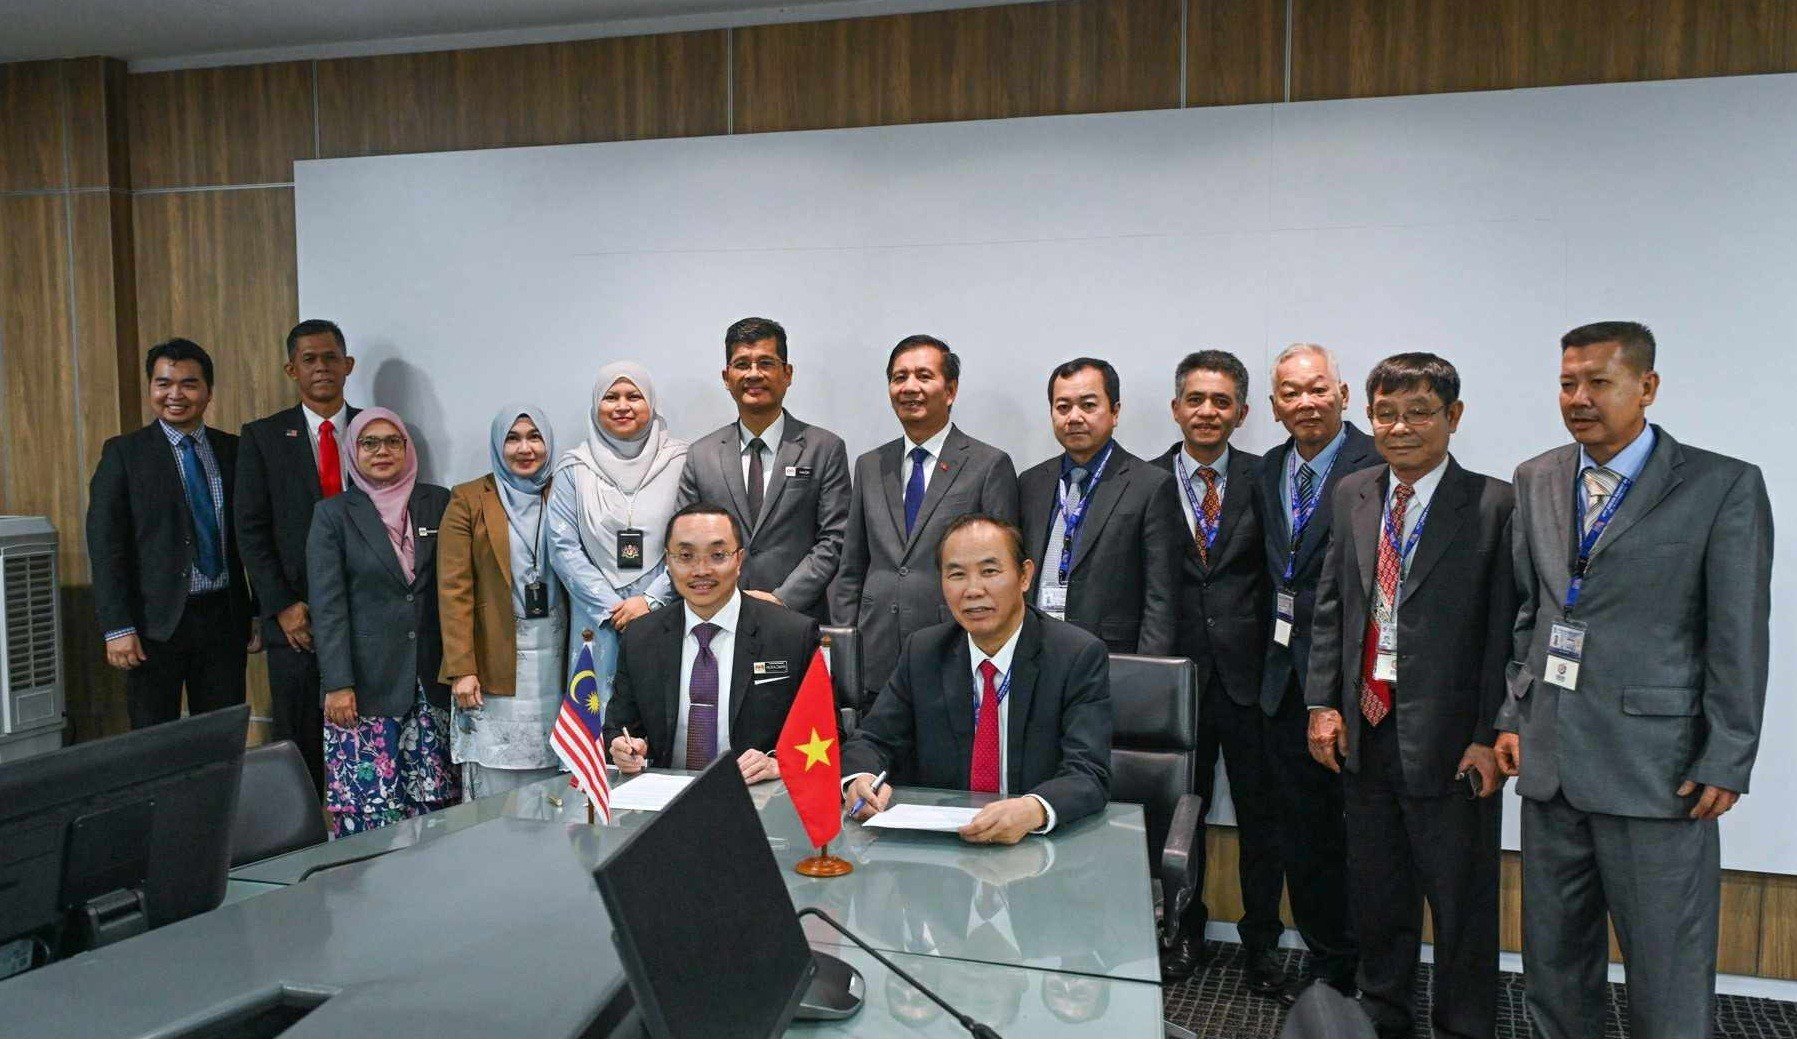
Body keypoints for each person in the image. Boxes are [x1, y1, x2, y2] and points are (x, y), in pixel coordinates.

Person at [1494, 322, 1772, 1039]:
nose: (1578, 397)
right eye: (1566, 382)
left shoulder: (1721, 485)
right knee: (1553, 967)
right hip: (1551, 765)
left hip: (1659, 772)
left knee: (1665, 972)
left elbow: (1736, 633)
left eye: (1597, 382)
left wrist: (1728, 752)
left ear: (1645, 387)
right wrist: (1511, 714)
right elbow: (1531, 612)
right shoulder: (1535, 477)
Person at [1305, 354, 1513, 1039]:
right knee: (1378, 896)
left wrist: (1489, 732)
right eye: (1385, 412)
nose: (1400, 428)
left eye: (1418, 412)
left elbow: (1500, 634)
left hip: (1454, 741)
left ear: (1452, 417)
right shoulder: (1354, 493)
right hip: (1365, 729)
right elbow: (1335, 605)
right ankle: (1384, 1018)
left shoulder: (1491, 503)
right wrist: (1322, 704)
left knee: (1459, 908)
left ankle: (1462, 1027)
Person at [842, 514, 1112, 843]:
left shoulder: (1076, 656)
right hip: (943, 851)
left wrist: (1033, 809)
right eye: (956, 574)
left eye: (990, 571)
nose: (973, 590)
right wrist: (861, 778)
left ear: (1025, 576)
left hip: (1038, 845)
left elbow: (1088, 773)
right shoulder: (925, 652)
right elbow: (872, 740)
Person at [1252, 342, 1380, 1000]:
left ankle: (1371, 970)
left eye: (1316, 388)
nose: (1305, 402)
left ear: (1342, 393)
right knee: (1300, 835)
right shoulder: (1267, 469)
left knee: (1360, 837)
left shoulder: (1378, 463)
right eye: (1290, 392)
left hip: (1354, 687)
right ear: (1274, 407)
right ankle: (1328, 960)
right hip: (1280, 684)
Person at [1150, 350, 1277, 988]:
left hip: (1253, 679)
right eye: (1195, 399)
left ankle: (1260, 944)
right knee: (1181, 814)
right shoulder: (1144, 481)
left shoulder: (1268, 478)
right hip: (1176, 681)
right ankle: (1182, 931)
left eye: (1221, 401)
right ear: (1176, 408)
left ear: (1242, 413)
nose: (1207, 411)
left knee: (1261, 815)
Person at [831, 335, 1020, 705]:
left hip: (953, 644)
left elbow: (1002, 570)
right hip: (876, 650)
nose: (910, 387)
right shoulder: (870, 465)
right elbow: (852, 565)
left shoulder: (988, 464)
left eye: (923, 376)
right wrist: (846, 636)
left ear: (950, 390)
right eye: (899, 377)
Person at [87, 338, 256, 730]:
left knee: (220, 735)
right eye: (164, 383)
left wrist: (258, 610)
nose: (175, 395)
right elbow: (106, 546)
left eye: (189, 384)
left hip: (224, 620)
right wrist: (118, 628)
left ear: (208, 392)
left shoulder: (234, 451)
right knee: (154, 738)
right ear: (151, 389)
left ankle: (214, 796)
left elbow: (253, 536)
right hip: (153, 626)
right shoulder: (124, 455)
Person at [307, 408, 458, 834]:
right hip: (363, 691)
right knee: (369, 810)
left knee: (436, 809)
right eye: (369, 443)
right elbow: (328, 606)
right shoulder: (333, 515)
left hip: (431, 683)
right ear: (352, 451)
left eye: (393, 441)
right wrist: (337, 684)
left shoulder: (438, 502)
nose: (382, 451)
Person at [654, 317, 851, 622]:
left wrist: (782, 598)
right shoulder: (701, 454)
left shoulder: (823, 448)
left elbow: (835, 538)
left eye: (766, 363)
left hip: (797, 618)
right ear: (727, 376)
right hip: (718, 615)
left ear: (787, 374)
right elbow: (685, 540)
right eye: (742, 364)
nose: (754, 374)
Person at [604, 503, 820, 780]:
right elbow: (619, 727)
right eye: (685, 556)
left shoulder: (792, 635)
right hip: (666, 800)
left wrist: (779, 763)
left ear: (739, 560)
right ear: (667, 562)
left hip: (758, 798)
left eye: (718, 555)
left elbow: (826, 733)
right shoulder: (641, 637)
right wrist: (624, 748)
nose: (701, 570)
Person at [235, 318, 359, 792]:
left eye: (330, 357)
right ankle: (302, 840)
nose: (321, 368)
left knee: (360, 736)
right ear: (291, 370)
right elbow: (250, 531)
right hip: (295, 617)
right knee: (299, 738)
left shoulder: (376, 431)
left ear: (348, 365)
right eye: (309, 359)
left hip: (359, 609)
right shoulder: (262, 437)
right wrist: (281, 606)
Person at [437, 405, 568, 800]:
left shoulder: (565, 491)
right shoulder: (469, 499)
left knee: (557, 771)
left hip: (560, 656)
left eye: (534, 437)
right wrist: (462, 667)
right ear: (497, 444)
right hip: (494, 658)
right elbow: (453, 588)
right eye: (513, 438)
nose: (524, 448)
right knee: (500, 783)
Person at [548, 363, 689, 711]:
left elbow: (691, 543)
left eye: (634, 396)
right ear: (596, 405)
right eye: (611, 397)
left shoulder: (681, 461)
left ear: (651, 404)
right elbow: (563, 547)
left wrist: (651, 600)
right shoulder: (574, 468)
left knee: (661, 711)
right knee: (597, 715)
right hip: (597, 616)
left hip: (665, 609)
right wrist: (610, 608)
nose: (622, 405)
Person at [1018, 357, 1181, 654]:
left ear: (1115, 411)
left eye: (1088, 405)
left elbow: (1161, 599)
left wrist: (1147, 674)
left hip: (1112, 655)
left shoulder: (1150, 485)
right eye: (1063, 407)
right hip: (1038, 650)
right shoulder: (1031, 483)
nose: (1074, 417)